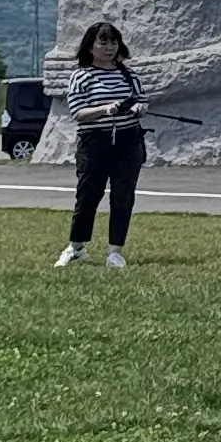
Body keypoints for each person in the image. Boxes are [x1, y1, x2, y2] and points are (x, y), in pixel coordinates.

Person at [57, 19, 147, 268]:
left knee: (123, 196)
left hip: (129, 142)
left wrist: (139, 108)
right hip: (94, 143)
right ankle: (76, 247)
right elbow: (78, 112)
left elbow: (142, 100)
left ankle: (115, 252)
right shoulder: (81, 75)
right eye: (103, 42)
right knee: (88, 196)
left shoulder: (128, 74)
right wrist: (105, 109)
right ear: (90, 46)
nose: (109, 48)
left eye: (114, 42)